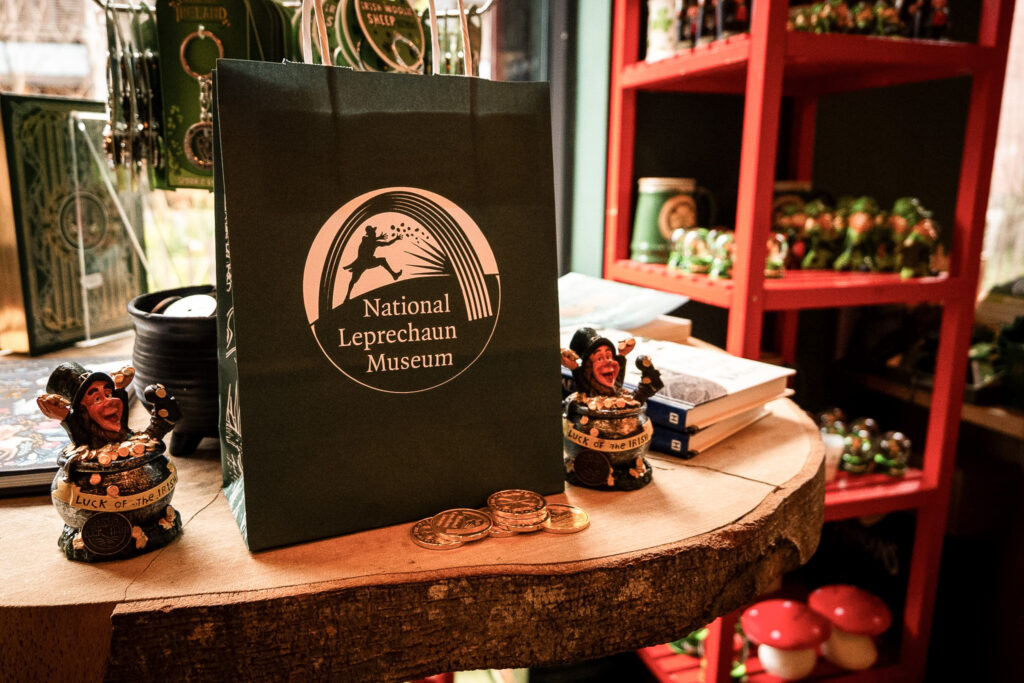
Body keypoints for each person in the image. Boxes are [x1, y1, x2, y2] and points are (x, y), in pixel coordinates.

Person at [342, 225, 403, 301]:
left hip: (367, 262)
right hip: (361, 263)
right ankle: (347, 297)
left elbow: (387, 243)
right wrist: (380, 238)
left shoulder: (374, 241)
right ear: (369, 233)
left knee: (382, 260)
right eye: (372, 232)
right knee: (353, 280)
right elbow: (371, 240)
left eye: (374, 232)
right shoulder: (365, 239)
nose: (374, 233)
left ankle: (394, 275)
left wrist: (395, 239)